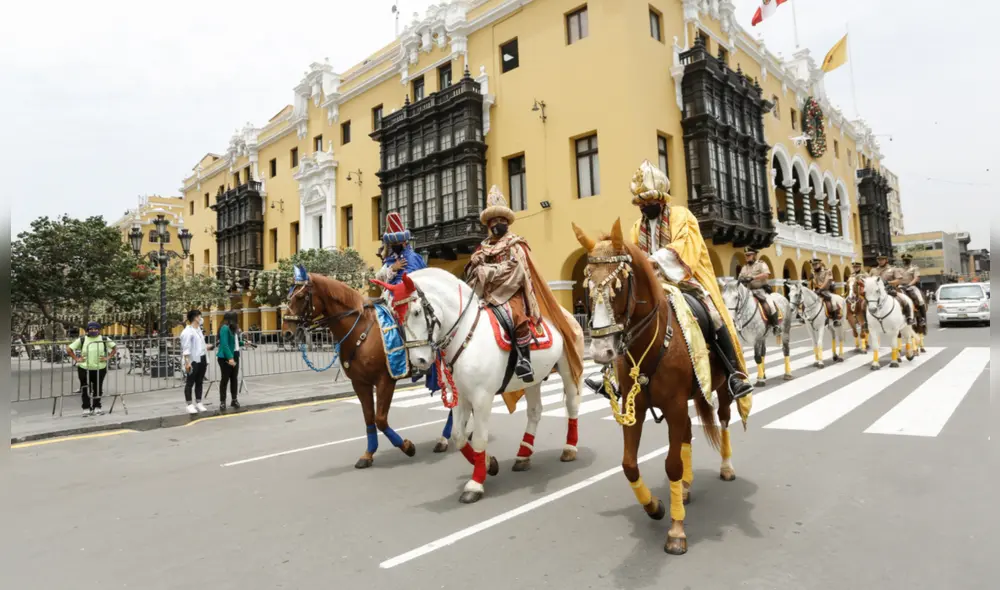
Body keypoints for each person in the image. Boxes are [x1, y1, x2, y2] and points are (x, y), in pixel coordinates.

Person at [625, 160, 752, 399]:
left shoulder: (681, 215)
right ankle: (611, 374)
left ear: (661, 199)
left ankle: (733, 373)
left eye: (648, 201)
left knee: (712, 313)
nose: (643, 207)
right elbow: (634, 252)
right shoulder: (636, 226)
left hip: (682, 280)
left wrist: (654, 261)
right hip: (650, 284)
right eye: (640, 202)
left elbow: (686, 245)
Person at [464, 186, 540, 381]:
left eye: (501, 221)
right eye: (494, 221)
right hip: (484, 292)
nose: (497, 224)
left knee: (516, 315)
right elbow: (473, 273)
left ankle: (525, 360)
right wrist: (474, 264)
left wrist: (487, 271)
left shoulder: (515, 244)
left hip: (509, 290)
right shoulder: (483, 247)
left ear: (507, 223)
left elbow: (517, 270)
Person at [66, 322, 117, 417]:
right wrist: (76, 359)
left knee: (98, 388)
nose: (93, 331)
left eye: (95, 329)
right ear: (87, 330)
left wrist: (108, 357)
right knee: (85, 388)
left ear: (99, 330)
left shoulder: (104, 339)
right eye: (91, 329)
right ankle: (86, 408)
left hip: (100, 368)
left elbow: (114, 348)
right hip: (84, 368)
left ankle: (97, 407)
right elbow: (69, 349)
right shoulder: (82, 339)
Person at [375, 212, 427, 285]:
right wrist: (392, 269)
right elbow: (378, 278)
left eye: (397, 243)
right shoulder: (391, 259)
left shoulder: (413, 257)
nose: (394, 245)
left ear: (404, 242)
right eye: (392, 243)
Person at [738, 246, 779, 329]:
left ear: (754, 255)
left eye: (749, 255)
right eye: (746, 255)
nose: (747, 257)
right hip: (748, 291)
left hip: (761, 291)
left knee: (770, 305)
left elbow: (766, 274)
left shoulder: (761, 264)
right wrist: (742, 279)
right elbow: (740, 277)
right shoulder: (744, 267)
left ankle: (775, 326)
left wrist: (753, 277)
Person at [869, 252, 915, 325]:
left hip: (889, 290)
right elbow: (869, 280)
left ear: (886, 260)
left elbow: (899, 280)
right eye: (879, 259)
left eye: (882, 259)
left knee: (904, 299)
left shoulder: (893, 269)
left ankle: (909, 317)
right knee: (863, 304)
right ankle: (866, 322)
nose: (880, 261)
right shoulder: (873, 270)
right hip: (876, 292)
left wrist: (888, 282)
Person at [180, 309, 209, 414]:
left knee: (199, 381)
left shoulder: (198, 330)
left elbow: (200, 344)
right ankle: (189, 404)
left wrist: (207, 347)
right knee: (190, 382)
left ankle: (199, 402)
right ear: (195, 318)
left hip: (202, 357)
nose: (201, 319)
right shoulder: (187, 332)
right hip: (192, 360)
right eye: (200, 316)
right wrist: (187, 363)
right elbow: (186, 349)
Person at [808, 258, 842, 326]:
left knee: (833, 302)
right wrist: (810, 279)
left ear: (820, 264)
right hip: (816, 291)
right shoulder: (813, 273)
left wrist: (820, 289)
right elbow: (811, 284)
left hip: (826, 290)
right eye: (813, 265)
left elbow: (826, 282)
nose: (814, 266)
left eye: (816, 264)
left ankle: (835, 319)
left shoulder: (827, 271)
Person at [217, 311, 239, 410]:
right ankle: (222, 401)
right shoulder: (224, 328)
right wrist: (230, 358)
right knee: (225, 379)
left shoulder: (232, 329)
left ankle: (234, 399)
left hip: (235, 354)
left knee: (234, 378)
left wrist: (243, 343)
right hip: (226, 357)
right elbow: (224, 344)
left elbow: (234, 342)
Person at [899, 253, 926, 327]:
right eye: (904, 260)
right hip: (900, 286)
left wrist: (909, 285)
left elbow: (916, 278)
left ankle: (922, 318)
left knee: (920, 300)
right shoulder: (899, 269)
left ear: (910, 260)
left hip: (911, 286)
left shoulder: (914, 268)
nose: (905, 261)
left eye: (907, 260)